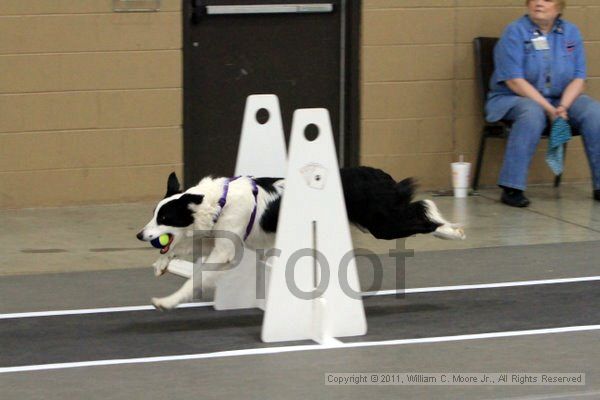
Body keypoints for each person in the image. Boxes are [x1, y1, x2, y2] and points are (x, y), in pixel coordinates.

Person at [486, 0, 600, 207]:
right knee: (531, 112)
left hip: (560, 99)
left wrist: (563, 107)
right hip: (514, 98)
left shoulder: (571, 33)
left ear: (559, 6)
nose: (538, 3)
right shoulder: (514, 32)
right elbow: (514, 81)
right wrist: (549, 109)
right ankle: (512, 187)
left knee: (594, 112)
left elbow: (578, 79)